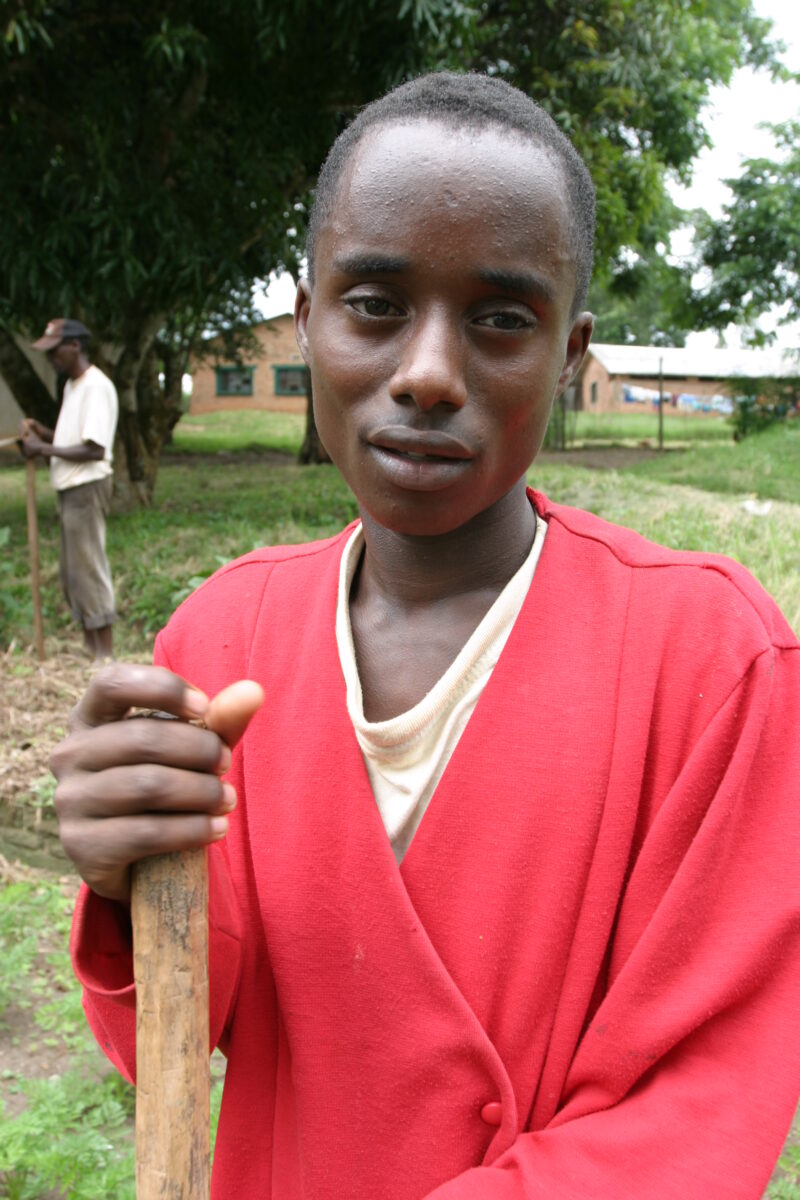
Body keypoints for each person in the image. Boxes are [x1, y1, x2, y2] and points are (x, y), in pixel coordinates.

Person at [51, 74, 800, 1198]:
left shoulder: (709, 662)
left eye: (501, 320)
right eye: (373, 305)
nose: (428, 374)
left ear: (569, 353)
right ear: (307, 319)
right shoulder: (223, 636)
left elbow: (697, 1105)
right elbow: (182, 1030)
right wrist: (124, 883)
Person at [21, 317, 118, 661]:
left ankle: (104, 655)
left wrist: (42, 450)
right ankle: (90, 647)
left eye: (55, 351)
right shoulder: (73, 386)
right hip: (70, 486)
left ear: (75, 346)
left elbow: (94, 449)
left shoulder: (96, 386)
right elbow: (71, 439)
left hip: (86, 487)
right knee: (73, 571)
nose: (50, 359)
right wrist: (42, 433)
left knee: (88, 566)